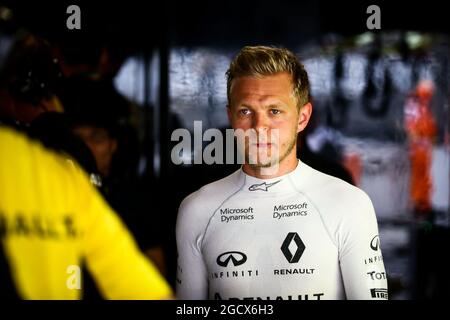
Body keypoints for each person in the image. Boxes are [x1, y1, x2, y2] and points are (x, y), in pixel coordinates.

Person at [176, 46, 388, 300]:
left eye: (274, 111)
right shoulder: (196, 209)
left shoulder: (349, 204)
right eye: (246, 111)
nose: (259, 126)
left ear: (302, 117)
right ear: (230, 116)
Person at [0, 124, 173, 299]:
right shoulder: (63, 179)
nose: (87, 144)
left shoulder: (69, 183)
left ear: (113, 145)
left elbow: (148, 284)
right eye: (78, 138)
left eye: (96, 138)